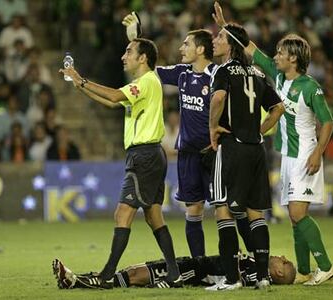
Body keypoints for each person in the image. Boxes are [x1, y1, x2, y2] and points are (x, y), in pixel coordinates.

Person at [213, 1, 333, 286]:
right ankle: (305, 270)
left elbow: (328, 122)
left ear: (294, 58)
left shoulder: (310, 87)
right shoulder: (278, 77)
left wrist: (319, 151)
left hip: (306, 151)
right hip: (287, 155)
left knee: (296, 213)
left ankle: (326, 266)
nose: (276, 55)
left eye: (281, 52)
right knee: (295, 217)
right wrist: (224, 25)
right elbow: (248, 47)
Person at [122, 13, 255, 259]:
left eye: (186, 44)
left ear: (201, 49)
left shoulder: (219, 74)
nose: (181, 48)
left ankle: (244, 260)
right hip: (188, 154)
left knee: (225, 209)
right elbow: (147, 70)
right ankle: (200, 266)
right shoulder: (182, 73)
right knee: (193, 210)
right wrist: (136, 39)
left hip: (214, 153)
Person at [59, 38, 181, 289]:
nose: (123, 56)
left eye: (128, 52)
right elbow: (111, 101)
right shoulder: (142, 85)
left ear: (143, 58)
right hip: (151, 154)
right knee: (153, 215)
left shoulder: (146, 82)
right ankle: (174, 273)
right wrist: (79, 86)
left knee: (122, 212)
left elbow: (114, 96)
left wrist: (81, 79)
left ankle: (105, 276)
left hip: (144, 156)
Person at [207, 22, 285, 291]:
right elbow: (278, 108)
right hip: (255, 150)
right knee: (256, 212)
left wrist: (212, 128)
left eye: (219, 37)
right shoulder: (257, 72)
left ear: (230, 45)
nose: (214, 41)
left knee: (223, 209)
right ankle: (262, 277)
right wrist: (258, 130)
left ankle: (231, 279)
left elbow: (218, 99)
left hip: (232, 147)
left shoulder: (224, 70)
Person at [52, 253, 296, 289]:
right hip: (193, 262)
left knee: (137, 275)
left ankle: (78, 282)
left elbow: (238, 281)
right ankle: (77, 279)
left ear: (280, 275)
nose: (282, 258)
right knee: (135, 270)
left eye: (285, 263)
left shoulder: (256, 274)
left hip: (195, 271)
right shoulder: (257, 261)